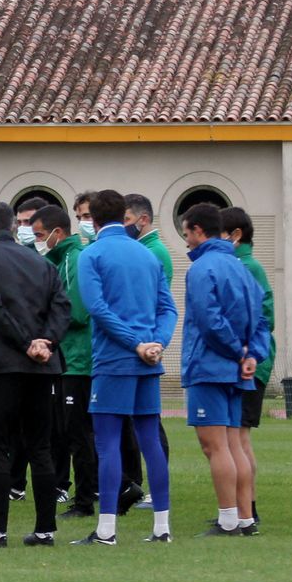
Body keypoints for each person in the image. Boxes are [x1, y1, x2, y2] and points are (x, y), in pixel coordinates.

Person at [0, 201, 69, 548]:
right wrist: (47, 343)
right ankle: (45, 529)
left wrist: (26, 343)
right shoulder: (42, 262)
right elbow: (62, 306)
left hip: (4, 364)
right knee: (40, 446)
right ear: (13, 225)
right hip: (43, 366)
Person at [74, 189, 177, 545]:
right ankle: (162, 526)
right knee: (149, 441)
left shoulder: (91, 254)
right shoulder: (148, 256)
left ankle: (106, 530)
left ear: (94, 220)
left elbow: (97, 309)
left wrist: (135, 344)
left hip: (115, 361)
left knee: (108, 444)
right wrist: (156, 344)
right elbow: (169, 309)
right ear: (125, 215)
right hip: (148, 362)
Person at [178, 204, 270, 537]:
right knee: (234, 445)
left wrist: (237, 351)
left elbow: (208, 320)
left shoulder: (203, 268)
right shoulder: (241, 267)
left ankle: (229, 519)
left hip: (210, 366)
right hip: (237, 370)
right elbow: (262, 320)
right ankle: (245, 519)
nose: (186, 241)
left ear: (199, 231)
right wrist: (251, 355)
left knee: (215, 446)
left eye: (187, 233)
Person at [34, 203, 98, 520]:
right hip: (66, 359)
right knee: (70, 431)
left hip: (78, 359)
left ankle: (86, 500)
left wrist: (42, 325)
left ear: (58, 233)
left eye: (40, 235)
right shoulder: (59, 260)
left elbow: (77, 311)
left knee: (79, 433)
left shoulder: (74, 258)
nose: (37, 240)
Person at [119, 192, 175, 511]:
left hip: (145, 349)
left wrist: (152, 343)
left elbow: (157, 304)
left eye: (126, 220)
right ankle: (137, 486)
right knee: (138, 423)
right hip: (140, 346)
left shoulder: (156, 253)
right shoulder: (143, 250)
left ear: (143, 220)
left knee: (150, 425)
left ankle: (157, 492)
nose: (123, 226)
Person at [220, 205, 275, 525]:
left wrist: (248, 355)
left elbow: (265, 318)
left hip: (250, 363)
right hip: (246, 361)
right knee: (235, 438)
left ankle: (246, 508)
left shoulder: (247, 267)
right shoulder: (243, 264)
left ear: (236, 236)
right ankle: (243, 507)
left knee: (237, 439)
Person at [5, 196, 52, 501]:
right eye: (20, 223)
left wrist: (45, 341)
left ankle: (55, 490)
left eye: (31, 224)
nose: (25, 229)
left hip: (48, 356)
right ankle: (15, 483)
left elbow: (64, 308)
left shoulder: (52, 262)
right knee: (15, 426)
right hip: (18, 355)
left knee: (45, 433)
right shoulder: (15, 261)